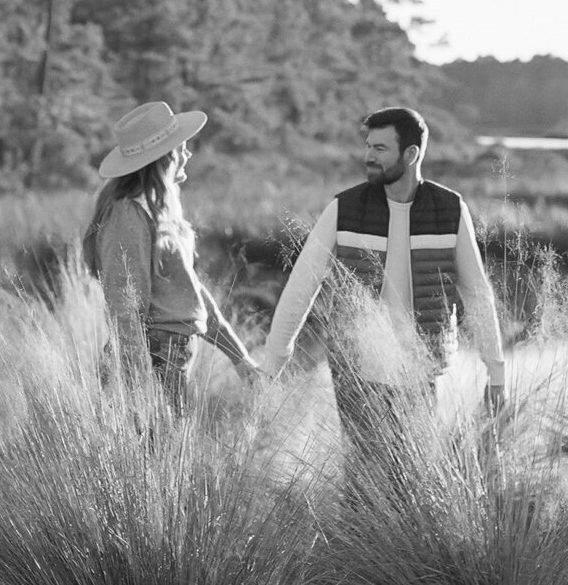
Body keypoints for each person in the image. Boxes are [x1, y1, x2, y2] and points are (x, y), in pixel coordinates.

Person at [261, 105, 506, 456]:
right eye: (368, 146)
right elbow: (302, 286)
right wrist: (273, 363)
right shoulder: (344, 209)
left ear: (411, 153)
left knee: (412, 475)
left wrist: (495, 371)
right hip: (356, 371)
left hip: (420, 369)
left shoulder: (449, 209)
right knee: (366, 480)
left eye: (380, 148)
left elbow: (477, 292)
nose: (368, 156)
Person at [82, 98, 259, 414]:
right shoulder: (127, 215)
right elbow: (125, 308)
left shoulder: (162, 213)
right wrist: (140, 393)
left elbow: (193, 296)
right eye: (182, 147)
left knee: (169, 458)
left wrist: (240, 358)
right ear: (165, 158)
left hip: (168, 356)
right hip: (154, 359)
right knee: (158, 456)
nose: (188, 154)